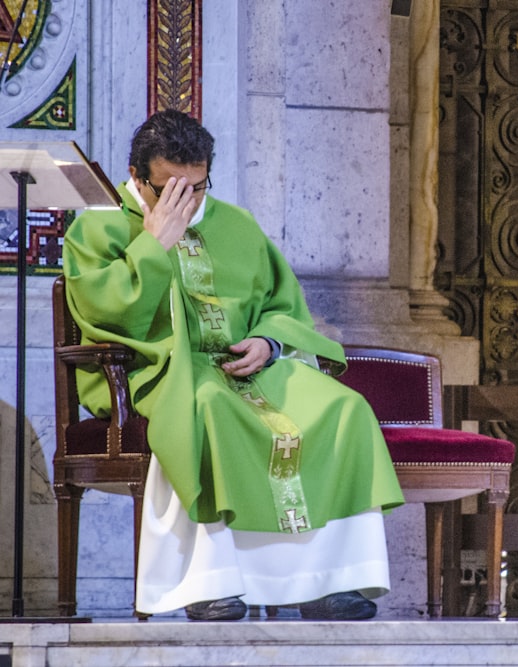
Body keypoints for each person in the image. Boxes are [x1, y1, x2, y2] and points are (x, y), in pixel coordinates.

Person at [61, 109, 404, 621]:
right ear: (136, 177)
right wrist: (155, 242)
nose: (187, 203)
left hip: (252, 369)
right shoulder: (98, 229)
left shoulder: (237, 224)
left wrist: (269, 341)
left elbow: (282, 305)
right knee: (212, 408)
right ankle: (211, 583)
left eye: (197, 188)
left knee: (344, 408)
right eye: (170, 190)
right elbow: (105, 310)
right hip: (159, 372)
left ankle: (328, 580)